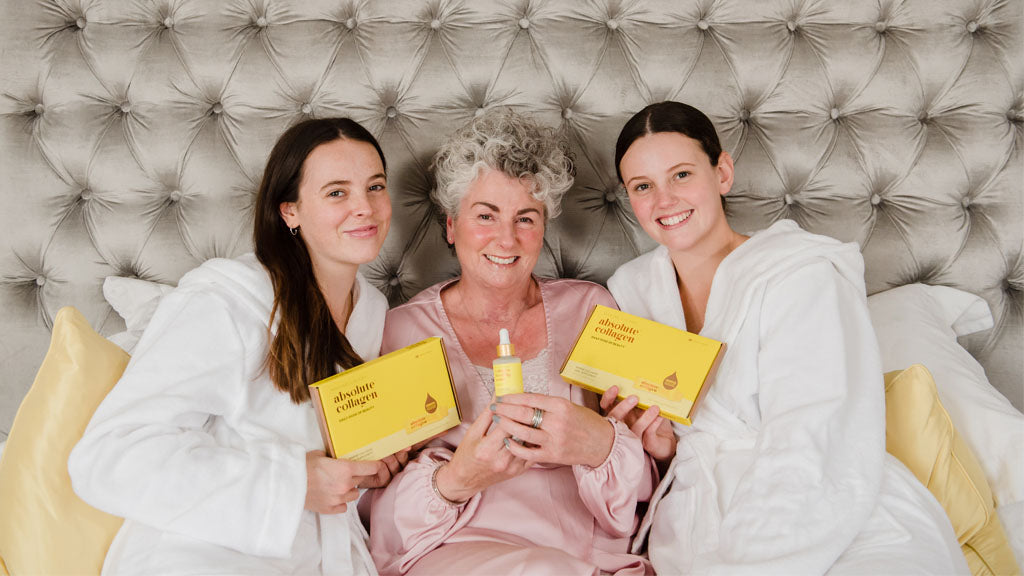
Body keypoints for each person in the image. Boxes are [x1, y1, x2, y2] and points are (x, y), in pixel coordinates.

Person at [605, 101, 969, 574]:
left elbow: (817, 433)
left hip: (832, 506)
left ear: (723, 173)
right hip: (695, 522)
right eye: (642, 186)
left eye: (681, 175)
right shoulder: (631, 291)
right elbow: (684, 436)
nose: (664, 200)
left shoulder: (802, 273)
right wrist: (665, 446)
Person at [68, 118, 408, 575]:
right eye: (336, 193)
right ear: (290, 211)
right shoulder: (224, 301)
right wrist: (291, 483)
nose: (364, 207)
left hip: (321, 554)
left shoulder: (372, 311)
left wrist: (368, 470)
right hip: (205, 555)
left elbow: (328, 455)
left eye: (375, 186)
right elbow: (109, 456)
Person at [366, 108, 656, 576]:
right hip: (453, 553)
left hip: (587, 554)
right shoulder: (399, 332)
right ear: (450, 226)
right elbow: (370, 501)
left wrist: (599, 444)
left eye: (526, 218)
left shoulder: (590, 309)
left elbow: (646, 481)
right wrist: (455, 480)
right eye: (486, 215)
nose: (507, 239)